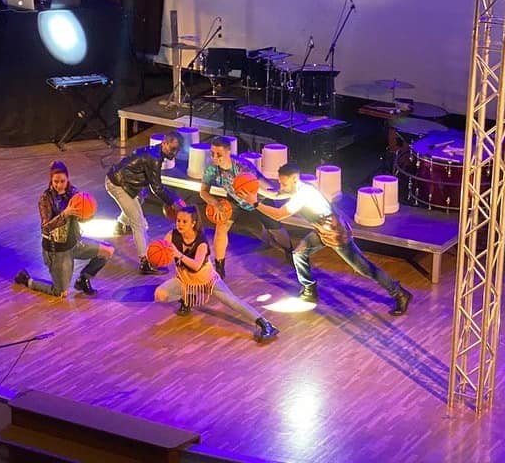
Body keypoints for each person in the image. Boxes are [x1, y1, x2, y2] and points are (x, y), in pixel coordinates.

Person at [237, 162, 412, 316]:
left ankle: (399, 293)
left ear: (295, 179)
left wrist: (255, 203)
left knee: (364, 269)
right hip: (323, 230)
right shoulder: (299, 187)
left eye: (284, 183)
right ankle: (309, 290)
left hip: (335, 233)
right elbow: (276, 195)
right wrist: (255, 189)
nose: (281, 186)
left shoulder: (303, 194)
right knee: (299, 254)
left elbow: (279, 215)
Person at [153, 206, 279, 343]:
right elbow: (162, 251)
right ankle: (188, 298)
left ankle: (266, 325)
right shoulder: (171, 235)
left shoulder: (201, 242)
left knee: (232, 302)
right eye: (178, 221)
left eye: (184, 221)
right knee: (160, 294)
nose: (180, 224)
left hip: (207, 281)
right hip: (185, 280)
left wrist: (178, 254)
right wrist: (156, 256)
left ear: (193, 223)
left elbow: (196, 266)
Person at [15, 161, 114, 297]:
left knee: (107, 251)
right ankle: (26, 280)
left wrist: (87, 214)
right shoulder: (45, 199)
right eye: (55, 181)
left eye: (62, 181)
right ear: (51, 180)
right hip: (58, 251)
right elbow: (46, 227)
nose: (59, 185)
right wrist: (64, 214)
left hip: (75, 243)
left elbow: (81, 218)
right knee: (61, 292)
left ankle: (83, 279)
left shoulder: (74, 193)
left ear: (68, 179)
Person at [199, 136, 292, 278]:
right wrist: (215, 203)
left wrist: (278, 194)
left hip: (257, 198)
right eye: (212, 153)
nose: (214, 157)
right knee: (221, 227)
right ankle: (219, 267)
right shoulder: (211, 168)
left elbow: (262, 186)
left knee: (275, 229)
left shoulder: (242, 167)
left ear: (228, 152)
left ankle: (290, 252)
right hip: (235, 200)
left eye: (219, 154)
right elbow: (203, 192)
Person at [106, 131, 185, 274]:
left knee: (140, 198)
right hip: (117, 184)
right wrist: (173, 202)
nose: (175, 153)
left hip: (125, 183)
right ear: (164, 143)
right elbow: (157, 188)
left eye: (177, 150)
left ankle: (121, 224)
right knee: (139, 224)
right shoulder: (154, 158)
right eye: (173, 149)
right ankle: (145, 262)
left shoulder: (155, 153)